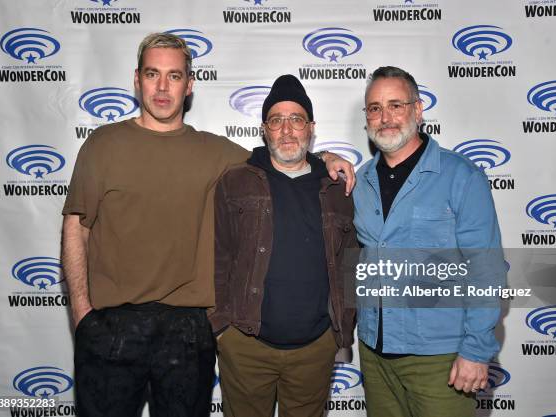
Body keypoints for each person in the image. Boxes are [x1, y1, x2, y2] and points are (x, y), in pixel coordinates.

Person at [61, 33, 354, 417]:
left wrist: (326, 157)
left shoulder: (216, 152)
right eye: (153, 74)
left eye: (174, 75)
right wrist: (82, 317)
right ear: (137, 79)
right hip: (111, 325)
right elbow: (76, 227)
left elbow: (281, 156)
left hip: (187, 328)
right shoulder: (102, 144)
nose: (163, 87)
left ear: (190, 84)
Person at [352, 66, 506, 417]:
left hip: (441, 360)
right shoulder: (361, 183)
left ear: (418, 110)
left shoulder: (461, 177)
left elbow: (486, 270)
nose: (385, 117)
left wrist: (476, 350)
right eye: (374, 108)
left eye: (395, 105)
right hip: (375, 356)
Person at [209, 74, 356, 417]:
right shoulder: (236, 180)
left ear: (310, 127)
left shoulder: (338, 188)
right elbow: (217, 256)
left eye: (296, 119)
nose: (287, 130)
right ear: (264, 129)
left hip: (315, 348)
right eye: (277, 120)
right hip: (245, 345)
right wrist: (221, 328)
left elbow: (352, 261)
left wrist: (341, 327)